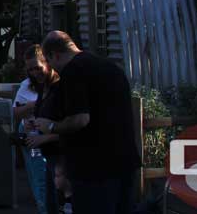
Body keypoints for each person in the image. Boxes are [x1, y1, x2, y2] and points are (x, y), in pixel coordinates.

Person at [36, 31, 140, 214]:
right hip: (125, 162)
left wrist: (51, 126)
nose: (52, 68)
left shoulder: (73, 70)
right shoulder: (111, 68)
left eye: (49, 61)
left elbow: (80, 119)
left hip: (94, 169)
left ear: (54, 55)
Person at [18, 45, 58, 214]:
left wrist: (45, 133)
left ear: (47, 63)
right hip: (36, 141)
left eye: (37, 68)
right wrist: (27, 121)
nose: (35, 73)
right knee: (40, 183)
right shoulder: (29, 85)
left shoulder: (57, 85)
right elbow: (16, 111)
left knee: (56, 187)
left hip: (54, 144)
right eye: (30, 70)